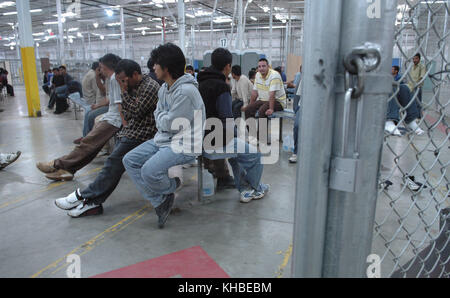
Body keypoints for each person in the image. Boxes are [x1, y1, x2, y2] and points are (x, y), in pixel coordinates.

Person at [53, 59, 160, 218]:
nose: (122, 84)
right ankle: (92, 202)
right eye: (119, 81)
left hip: (143, 135)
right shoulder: (134, 85)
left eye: (123, 81)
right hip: (133, 132)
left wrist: (124, 94)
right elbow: (128, 113)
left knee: (113, 162)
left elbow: (134, 112)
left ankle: (84, 196)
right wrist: (127, 101)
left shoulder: (150, 87)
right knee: (111, 161)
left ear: (135, 74)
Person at [123, 43, 206, 229]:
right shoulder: (164, 89)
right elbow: (159, 116)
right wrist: (162, 118)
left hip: (185, 144)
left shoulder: (186, 92)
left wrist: (162, 118)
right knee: (129, 160)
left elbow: (170, 123)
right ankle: (160, 200)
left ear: (166, 67)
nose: (153, 68)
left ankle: (170, 187)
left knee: (148, 171)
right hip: (164, 139)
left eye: (156, 64)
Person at [36, 53, 123, 181]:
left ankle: (58, 164)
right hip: (112, 117)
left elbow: (119, 104)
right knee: (90, 145)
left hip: (115, 120)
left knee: (88, 143)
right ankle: (67, 169)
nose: (100, 70)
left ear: (105, 66)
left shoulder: (115, 79)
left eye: (101, 67)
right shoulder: (112, 79)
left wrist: (122, 124)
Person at [198, 48, 269, 203]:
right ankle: (255, 188)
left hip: (202, 135)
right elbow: (227, 117)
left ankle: (244, 188)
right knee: (256, 155)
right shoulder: (221, 86)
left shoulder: (201, 82)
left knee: (236, 156)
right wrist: (237, 135)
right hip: (218, 137)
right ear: (228, 66)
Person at [72, 62, 108, 144]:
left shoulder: (104, 78)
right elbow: (100, 92)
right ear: (97, 69)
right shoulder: (94, 76)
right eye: (100, 68)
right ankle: (86, 137)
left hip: (95, 101)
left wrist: (97, 105)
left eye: (102, 68)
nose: (102, 71)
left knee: (90, 114)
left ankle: (87, 138)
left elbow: (103, 93)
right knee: (89, 112)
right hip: (92, 100)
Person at [385, 66, 424, 136]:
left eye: (392, 69)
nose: (391, 70)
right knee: (392, 86)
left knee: (404, 88)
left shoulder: (398, 77)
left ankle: (410, 121)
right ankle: (389, 121)